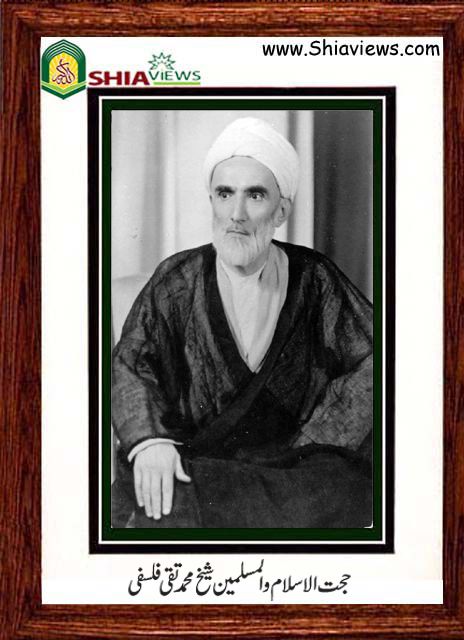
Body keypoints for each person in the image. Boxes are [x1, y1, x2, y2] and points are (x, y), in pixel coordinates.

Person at [111, 117, 373, 529]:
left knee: (343, 486)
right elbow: (131, 364)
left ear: (281, 210)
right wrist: (150, 441)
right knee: (166, 487)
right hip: (200, 461)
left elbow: (376, 359)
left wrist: (317, 438)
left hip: (289, 469)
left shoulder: (315, 277)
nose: (236, 214)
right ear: (212, 201)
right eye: (224, 194)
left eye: (255, 195)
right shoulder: (177, 279)